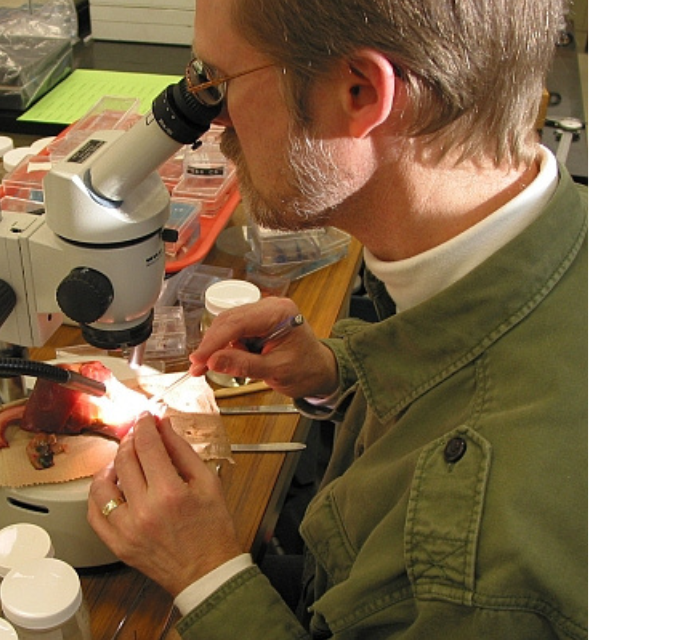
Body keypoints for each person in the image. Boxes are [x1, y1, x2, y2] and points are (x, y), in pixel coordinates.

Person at [88, 0, 588, 637]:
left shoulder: (481, 569)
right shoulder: (552, 232)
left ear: (361, 94)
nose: (212, 124)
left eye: (217, 82)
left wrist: (205, 572)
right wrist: (338, 370)